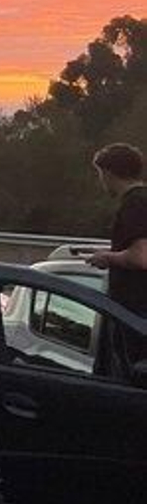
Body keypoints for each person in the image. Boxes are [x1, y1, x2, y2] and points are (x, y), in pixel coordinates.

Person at [87, 142, 147, 380]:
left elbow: (141, 256)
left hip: (132, 313)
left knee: (124, 382)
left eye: (100, 174)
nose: (100, 181)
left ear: (109, 173)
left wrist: (107, 258)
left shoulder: (133, 204)